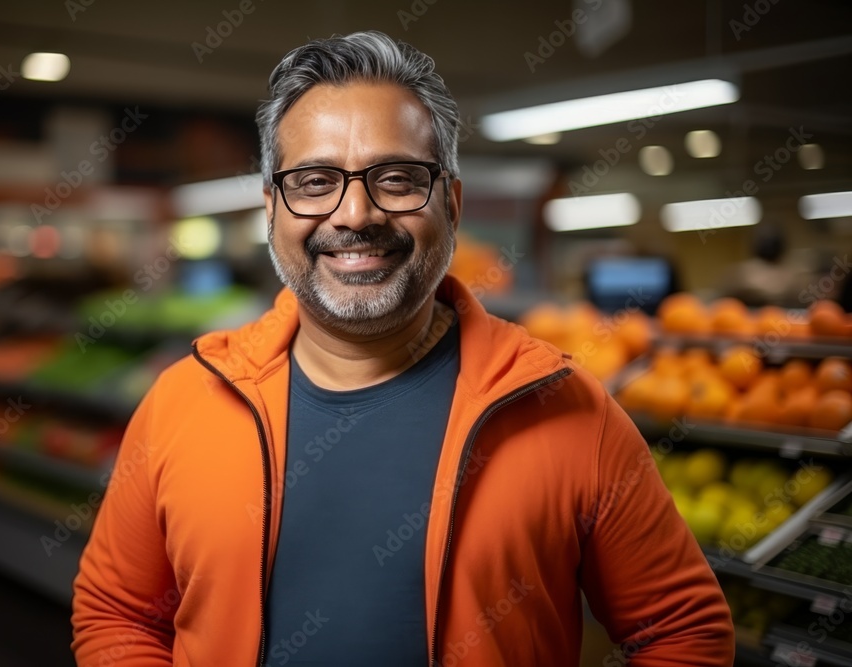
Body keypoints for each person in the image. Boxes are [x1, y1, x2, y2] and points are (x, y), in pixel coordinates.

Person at [71, 31, 734, 666]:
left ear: (451, 201)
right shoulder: (184, 400)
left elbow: (682, 629)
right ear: (271, 207)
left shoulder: (566, 408)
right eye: (314, 181)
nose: (355, 214)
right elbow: (116, 611)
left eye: (396, 178)